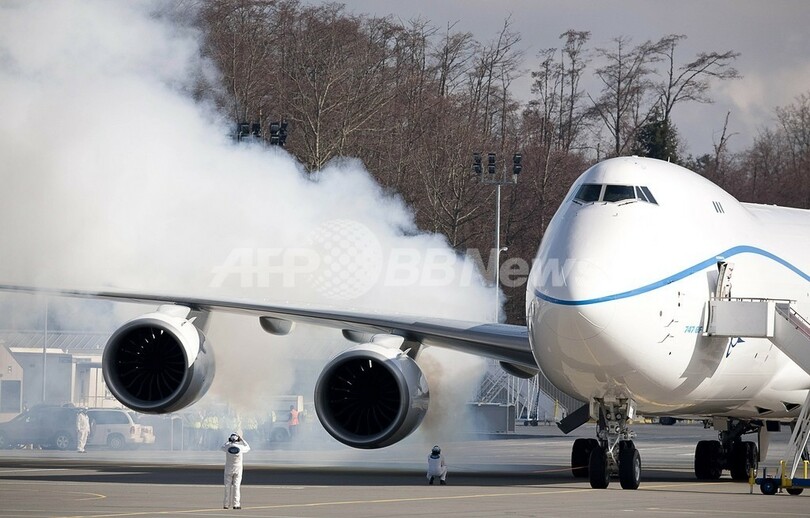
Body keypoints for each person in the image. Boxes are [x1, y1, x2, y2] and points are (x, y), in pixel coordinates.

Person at [221, 432, 250, 509]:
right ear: (238, 440)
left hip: (228, 469)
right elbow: (248, 447)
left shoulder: (227, 447)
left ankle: (226, 504)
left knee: (227, 487)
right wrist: (242, 440)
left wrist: (228, 441)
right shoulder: (240, 448)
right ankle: (236, 504)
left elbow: (222, 447)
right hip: (238, 469)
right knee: (237, 487)